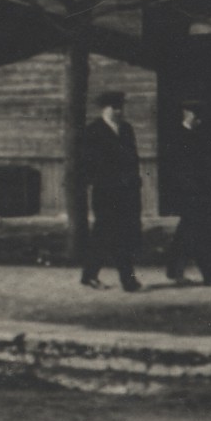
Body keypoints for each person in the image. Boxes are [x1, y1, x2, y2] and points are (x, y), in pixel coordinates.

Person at [73, 92, 145, 292]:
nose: (119, 111)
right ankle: (94, 276)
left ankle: (124, 280)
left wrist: (134, 181)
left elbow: (133, 159)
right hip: (106, 193)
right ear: (104, 109)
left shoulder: (127, 129)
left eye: (121, 107)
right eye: (114, 107)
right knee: (103, 235)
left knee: (124, 234)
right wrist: (105, 180)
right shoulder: (93, 131)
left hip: (127, 192)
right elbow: (88, 164)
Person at [162, 101, 211, 287]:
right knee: (191, 234)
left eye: (197, 115)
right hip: (189, 195)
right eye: (193, 114)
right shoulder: (177, 136)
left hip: (204, 194)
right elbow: (176, 169)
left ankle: (202, 273)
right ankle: (200, 273)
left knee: (196, 234)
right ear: (186, 115)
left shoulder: (200, 135)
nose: (196, 119)